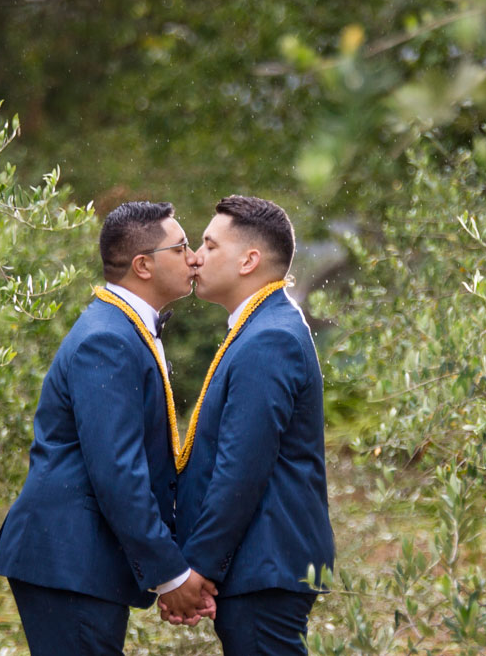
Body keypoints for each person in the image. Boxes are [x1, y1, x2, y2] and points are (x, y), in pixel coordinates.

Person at [0, 201, 217, 655]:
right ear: (143, 265)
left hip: (80, 560)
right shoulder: (108, 338)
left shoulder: (123, 327)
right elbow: (118, 472)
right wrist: (170, 574)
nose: (193, 258)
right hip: (69, 557)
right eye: (182, 247)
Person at [165, 195, 335, 654]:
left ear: (249, 260)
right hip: (260, 563)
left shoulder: (270, 337)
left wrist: (198, 569)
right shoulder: (263, 326)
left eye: (209, 245)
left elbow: (241, 467)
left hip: (265, 562)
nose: (195, 257)